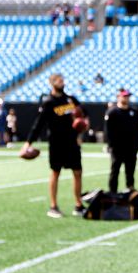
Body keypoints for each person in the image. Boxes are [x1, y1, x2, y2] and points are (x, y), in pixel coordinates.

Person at [24, 73, 85, 218]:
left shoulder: (70, 99)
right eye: (59, 81)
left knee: (77, 172)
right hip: (57, 142)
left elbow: (82, 114)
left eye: (63, 80)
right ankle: (53, 206)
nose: (62, 83)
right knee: (55, 172)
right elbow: (38, 124)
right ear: (52, 83)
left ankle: (78, 204)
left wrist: (82, 122)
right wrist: (28, 143)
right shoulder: (49, 102)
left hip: (71, 141)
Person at [104, 89, 138, 192]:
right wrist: (110, 145)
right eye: (124, 96)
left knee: (130, 171)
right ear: (118, 97)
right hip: (117, 148)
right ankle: (113, 192)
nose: (126, 98)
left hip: (131, 148)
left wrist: (137, 145)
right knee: (115, 170)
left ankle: (130, 189)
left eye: (127, 96)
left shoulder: (134, 112)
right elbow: (108, 131)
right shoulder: (112, 112)